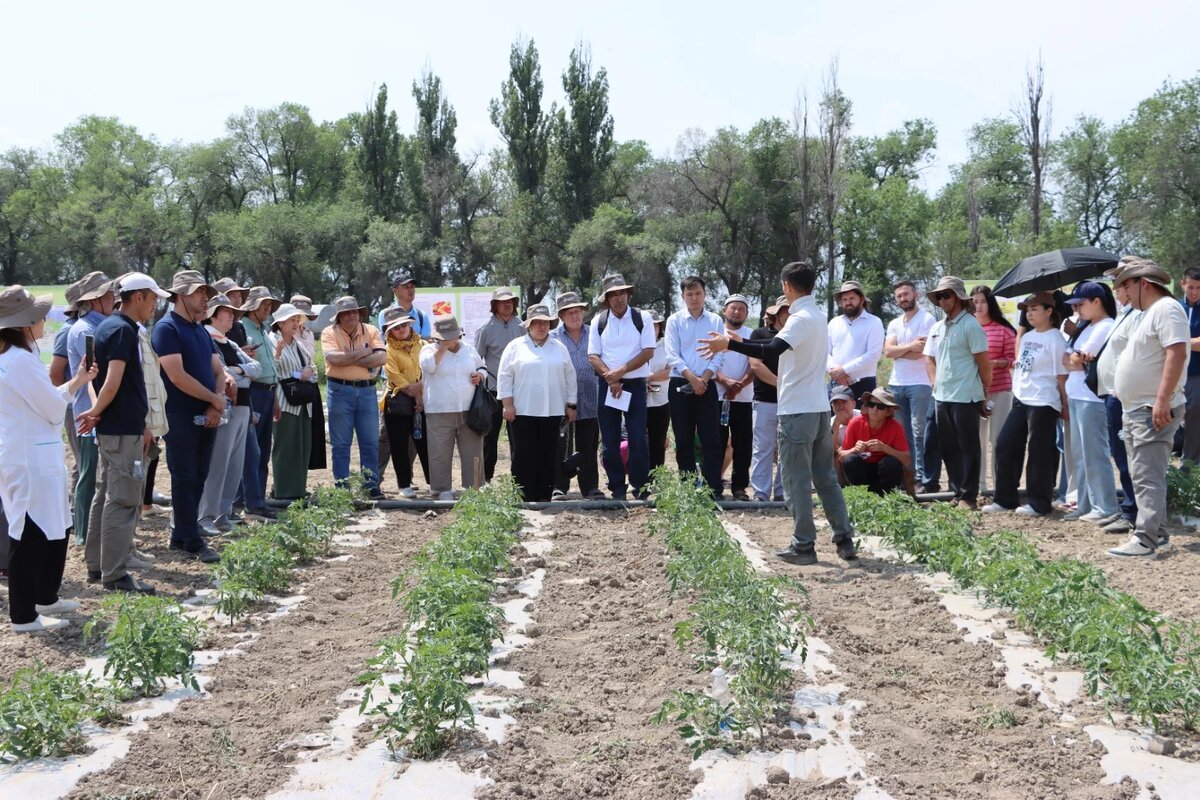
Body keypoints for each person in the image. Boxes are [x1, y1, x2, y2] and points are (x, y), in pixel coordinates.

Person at [699, 261, 858, 565]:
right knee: (824, 476)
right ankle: (843, 538)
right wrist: (735, 342)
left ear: (787, 285)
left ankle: (803, 545)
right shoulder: (817, 316)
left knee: (796, 479)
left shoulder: (799, 319)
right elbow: (774, 346)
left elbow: (771, 349)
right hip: (818, 409)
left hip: (797, 410)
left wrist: (730, 343)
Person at [1, 286, 98, 631]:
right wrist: (72, 389)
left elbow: (47, 401)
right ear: (26, 323)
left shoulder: (14, 359)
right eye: (39, 316)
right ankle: (24, 615)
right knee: (30, 531)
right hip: (30, 459)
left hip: (27, 455)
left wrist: (76, 382)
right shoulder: (21, 362)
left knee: (53, 523)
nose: (44, 320)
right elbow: (53, 411)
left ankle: (46, 596)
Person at [76, 273, 170, 595]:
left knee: (105, 497)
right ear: (139, 297)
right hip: (120, 432)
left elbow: (95, 379)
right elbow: (113, 381)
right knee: (123, 500)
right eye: (153, 298)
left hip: (114, 430)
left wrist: (97, 412)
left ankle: (98, 565)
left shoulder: (107, 327)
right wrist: (96, 412)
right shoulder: (123, 331)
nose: (155, 304)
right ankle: (115, 575)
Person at [1108, 261, 1191, 558]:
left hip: (1150, 407)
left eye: (1126, 285)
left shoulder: (1166, 309)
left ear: (1143, 283)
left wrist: (1161, 399)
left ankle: (1146, 539)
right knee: (1143, 472)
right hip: (1138, 407)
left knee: (1146, 474)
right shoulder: (1149, 313)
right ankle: (1158, 534)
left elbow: (1177, 352)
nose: (1123, 291)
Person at [152, 270, 229, 564]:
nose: (205, 298)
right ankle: (192, 541)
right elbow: (176, 376)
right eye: (200, 293)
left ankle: (182, 534)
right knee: (184, 477)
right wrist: (214, 399)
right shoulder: (166, 329)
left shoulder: (200, 330)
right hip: (180, 414)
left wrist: (214, 404)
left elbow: (218, 371)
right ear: (182, 295)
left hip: (206, 412)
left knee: (199, 476)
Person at [982, 292, 1069, 517]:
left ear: (1049, 311)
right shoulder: (1028, 337)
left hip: (1044, 400)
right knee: (1005, 444)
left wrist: (1065, 404)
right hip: (1022, 398)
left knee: (1039, 451)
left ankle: (1039, 502)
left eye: (1034, 309)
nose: (1029, 314)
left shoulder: (1056, 338)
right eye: (1027, 310)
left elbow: (1061, 375)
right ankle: (1005, 498)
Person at [923, 276, 992, 510]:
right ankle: (957, 491)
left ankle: (969, 497)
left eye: (947, 295)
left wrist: (985, 393)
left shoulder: (971, 326)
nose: (942, 300)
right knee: (949, 447)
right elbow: (928, 357)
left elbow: (984, 363)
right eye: (939, 296)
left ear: (959, 297)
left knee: (968, 447)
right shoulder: (936, 327)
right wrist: (934, 382)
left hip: (966, 395)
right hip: (942, 396)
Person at [587, 274, 656, 501]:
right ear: (606, 299)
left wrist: (621, 372)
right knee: (609, 440)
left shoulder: (641, 317)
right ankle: (617, 487)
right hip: (608, 384)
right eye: (613, 294)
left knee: (637, 437)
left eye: (622, 293)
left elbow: (648, 351)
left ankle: (640, 486)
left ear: (628, 294)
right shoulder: (599, 320)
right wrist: (612, 378)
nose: (618, 298)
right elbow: (593, 356)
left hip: (635, 384)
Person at [499, 304, 578, 502]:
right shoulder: (515, 346)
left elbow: (570, 376)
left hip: (552, 411)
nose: (541, 327)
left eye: (545, 323)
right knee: (523, 454)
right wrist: (507, 404)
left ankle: (544, 496)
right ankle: (523, 496)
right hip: (523, 411)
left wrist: (571, 404)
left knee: (549, 454)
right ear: (529, 325)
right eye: (537, 323)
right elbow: (505, 376)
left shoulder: (559, 347)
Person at [198, 294, 261, 535]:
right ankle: (207, 515)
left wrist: (237, 370)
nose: (232, 315)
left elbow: (257, 369)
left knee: (235, 464)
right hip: (225, 407)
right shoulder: (207, 339)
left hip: (243, 407)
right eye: (227, 311)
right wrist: (238, 373)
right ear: (214, 315)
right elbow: (222, 374)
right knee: (218, 463)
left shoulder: (230, 343)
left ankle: (223, 514)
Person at [1093, 266, 1145, 534]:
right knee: (1120, 454)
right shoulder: (1126, 313)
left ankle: (1134, 512)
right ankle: (1129, 508)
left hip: (1123, 395)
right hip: (1114, 393)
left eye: (1120, 282)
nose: (1115, 288)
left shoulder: (1140, 314)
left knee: (1129, 457)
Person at [1061, 281, 1119, 522]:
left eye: (1081, 304)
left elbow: (1074, 361)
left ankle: (1104, 506)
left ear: (1097, 301)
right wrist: (1074, 357)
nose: (1077, 309)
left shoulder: (1104, 325)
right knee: (1081, 455)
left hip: (1090, 397)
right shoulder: (1085, 326)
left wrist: (1074, 358)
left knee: (1095, 453)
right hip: (1076, 394)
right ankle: (1085, 504)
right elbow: (1068, 359)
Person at [665, 276, 726, 498]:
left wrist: (705, 378)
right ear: (682, 297)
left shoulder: (715, 320)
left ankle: (713, 488)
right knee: (683, 439)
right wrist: (692, 378)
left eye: (698, 293)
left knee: (711, 438)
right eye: (689, 294)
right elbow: (672, 354)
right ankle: (689, 488)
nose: (694, 298)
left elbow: (720, 354)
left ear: (705, 294)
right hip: (682, 382)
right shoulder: (674, 321)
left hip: (707, 383)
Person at [65, 271, 115, 545]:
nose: (113, 298)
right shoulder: (86, 330)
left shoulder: (96, 326)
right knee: (88, 474)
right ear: (95, 299)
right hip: (89, 413)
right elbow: (94, 377)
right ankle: (83, 531)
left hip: (94, 411)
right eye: (108, 294)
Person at [321, 296, 387, 500]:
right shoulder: (328, 332)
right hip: (340, 390)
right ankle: (342, 488)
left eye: (355, 312)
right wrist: (366, 353)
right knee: (341, 443)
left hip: (367, 391)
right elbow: (333, 359)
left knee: (370, 441)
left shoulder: (371, 330)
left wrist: (350, 357)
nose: (352, 315)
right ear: (339, 316)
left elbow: (382, 358)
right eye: (347, 312)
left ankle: (371, 485)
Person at [421, 315, 487, 500]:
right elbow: (428, 367)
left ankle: (474, 487)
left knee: (473, 450)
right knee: (439, 451)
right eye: (445, 337)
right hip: (439, 410)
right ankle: (442, 489)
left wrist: (480, 376)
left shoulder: (469, 350)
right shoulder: (427, 350)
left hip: (469, 410)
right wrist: (442, 348)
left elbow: (483, 368)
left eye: (452, 336)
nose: (450, 340)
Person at [377, 273, 430, 483]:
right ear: (395, 290)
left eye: (412, 286)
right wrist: (410, 388)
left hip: (419, 383)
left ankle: (405, 477)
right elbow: (386, 345)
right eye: (405, 286)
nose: (410, 290)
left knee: (414, 433)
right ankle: (375, 478)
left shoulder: (423, 315)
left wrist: (419, 389)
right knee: (385, 434)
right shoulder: (385, 314)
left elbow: (425, 347)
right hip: (393, 385)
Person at [884, 281, 936, 491]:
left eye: (906, 294)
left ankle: (921, 478)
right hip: (896, 384)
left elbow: (921, 353)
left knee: (918, 431)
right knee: (902, 434)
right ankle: (906, 476)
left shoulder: (927, 319)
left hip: (920, 383)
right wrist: (909, 347)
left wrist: (900, 350)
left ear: (916, 294)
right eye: (899, 296)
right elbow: (887, 352)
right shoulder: (895, 323)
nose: (903, 298)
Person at [552, 291, 603, 499]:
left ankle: (590, 487)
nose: (575, 316)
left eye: (578, 311)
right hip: (561, 401)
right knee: (559, 446)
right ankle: (558, 487)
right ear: (561, 316)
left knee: (588, 446)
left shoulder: (595, 334)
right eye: (569, 312)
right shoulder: (553, 338)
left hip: (591, 399)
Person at [239, 286, 282, 521]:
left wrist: (275, 397)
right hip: (253, 392)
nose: (267, 308)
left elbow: (270, 368)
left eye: (269, 305)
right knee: (252, 451)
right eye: (263, 304)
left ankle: (258, 499)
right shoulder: (242, 328)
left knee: (263, 449)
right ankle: (251, 502)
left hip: (268, 392)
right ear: (252, 306)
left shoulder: (263, 331)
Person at [970, 286, 1016, 495]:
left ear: (991, 304)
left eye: (982, 301)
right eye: (975, 301)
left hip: (1000, 391)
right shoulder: (967, 328)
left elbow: (1013, 360)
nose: (978, 306)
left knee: (999, 440)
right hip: (974, 393)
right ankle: (979, 485)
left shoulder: (1004, 330)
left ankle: (1000, 485)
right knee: (976, 441)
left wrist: (995, 363)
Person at [474, 288, 523, 482]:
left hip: (519, 390)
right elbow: (477, 360)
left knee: (518, 439)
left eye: (510, 301)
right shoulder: (485, 328)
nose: (507, 304)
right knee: (489, 438)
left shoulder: (522, 326)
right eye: (502, 301)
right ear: (494, 305)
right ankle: (485, 480)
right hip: (493, 390)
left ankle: (518, 480)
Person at [271, 304, 318, 501]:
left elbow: (312, 367)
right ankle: (283, 490)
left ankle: (298, 489)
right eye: (292, 320)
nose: (296, 323)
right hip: (284, 402)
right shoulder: (273, 341)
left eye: (297, 320)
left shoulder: (298, 344)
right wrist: (279, 354)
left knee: (302, 447)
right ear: (280, 323)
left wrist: (308, 371)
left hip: (303, 404)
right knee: (285, 447)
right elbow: (273, 370)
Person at [49, 277, 87, 502]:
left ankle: (75, 508)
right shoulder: (69, 331)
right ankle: (76, 511)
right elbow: (55, 373)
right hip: (73, 404)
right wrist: (63, 403)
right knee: (83, 461)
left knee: (84, 462)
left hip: (77, 401)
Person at [748, 296, 789, 501]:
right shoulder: (760, 333)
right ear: (776, 314)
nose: (789, 315)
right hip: (765, 400)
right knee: (762, 448)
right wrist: (781, 384)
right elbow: (756, 365)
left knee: (787, 449)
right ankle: (761, 492)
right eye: (785, 311)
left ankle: (783, 492)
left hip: (792, 402)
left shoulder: (799, 336)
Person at [717, 294, 754, 501]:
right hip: (718, 397)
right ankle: (714, 485)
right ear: (725, 310)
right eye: (733, 308)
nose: (737, 312)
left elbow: (756, 365)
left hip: (744, 398)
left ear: (747, 313)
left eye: (741, 309)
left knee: (743, 445)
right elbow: (708, 363)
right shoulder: (715, 332)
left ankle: (739, 487)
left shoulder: (751, 334)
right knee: (717, 442)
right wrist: (726, 383)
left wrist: (739, 385)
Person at [837, 388, 911, 495]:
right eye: (871, 405)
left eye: (880, 407)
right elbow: (842, 457)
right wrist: (854, 449)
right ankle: (864, 495)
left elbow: (907, 460)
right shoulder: (855, 423)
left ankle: (884, 494)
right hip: (863, 470)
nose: (874, 409)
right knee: (850, 460)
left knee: (892, 462)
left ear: (888, 412)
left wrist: (885, 448)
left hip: (883, 472)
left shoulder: (896, 427)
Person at [827, 280, 884, 400]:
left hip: (863, 385)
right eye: (844, 299)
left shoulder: (874, 322)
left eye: (852, 298)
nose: (848, 303)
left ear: (862, 300)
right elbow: (824, 352)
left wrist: (844, 370)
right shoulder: (834, 323)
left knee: (861, 419)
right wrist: (837, 374)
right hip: (836, 384)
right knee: (833, 419)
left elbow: (873, 355)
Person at [289, 294, 326, 471]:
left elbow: (312, 360)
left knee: (312, 432)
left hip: (310, 385)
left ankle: (302, 477)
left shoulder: (310, 334)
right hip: (291, 387)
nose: (299, 320)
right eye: (296, 316)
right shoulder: (280, 335)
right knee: (292, 434)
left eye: (302, 316)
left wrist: (311, 369)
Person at [646, 310, 672, 473]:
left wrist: (649, 377)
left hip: (662, 399)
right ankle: (640, 477)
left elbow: (671, 370)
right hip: (638, 401)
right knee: (639, 440)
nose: (650, 330)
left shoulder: (666, 346)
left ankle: (657, 477)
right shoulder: (634, 347)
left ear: (659, 328)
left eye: (654, 326)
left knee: (658, 440)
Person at [1179, 267, 1200, 465]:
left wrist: (1179, 342)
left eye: (1199, 288)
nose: (1194, 292)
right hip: (1174, 373)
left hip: (1195, 374)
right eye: (1191, 287)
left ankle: (1190, 464)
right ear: (1182, 284)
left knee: (1193, 415)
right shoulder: (1175, 308)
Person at [212, 278, 250, 348]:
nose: (238, 300)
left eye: (239, 296)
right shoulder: (213, 326)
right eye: (233, 296)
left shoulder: (239, 327)